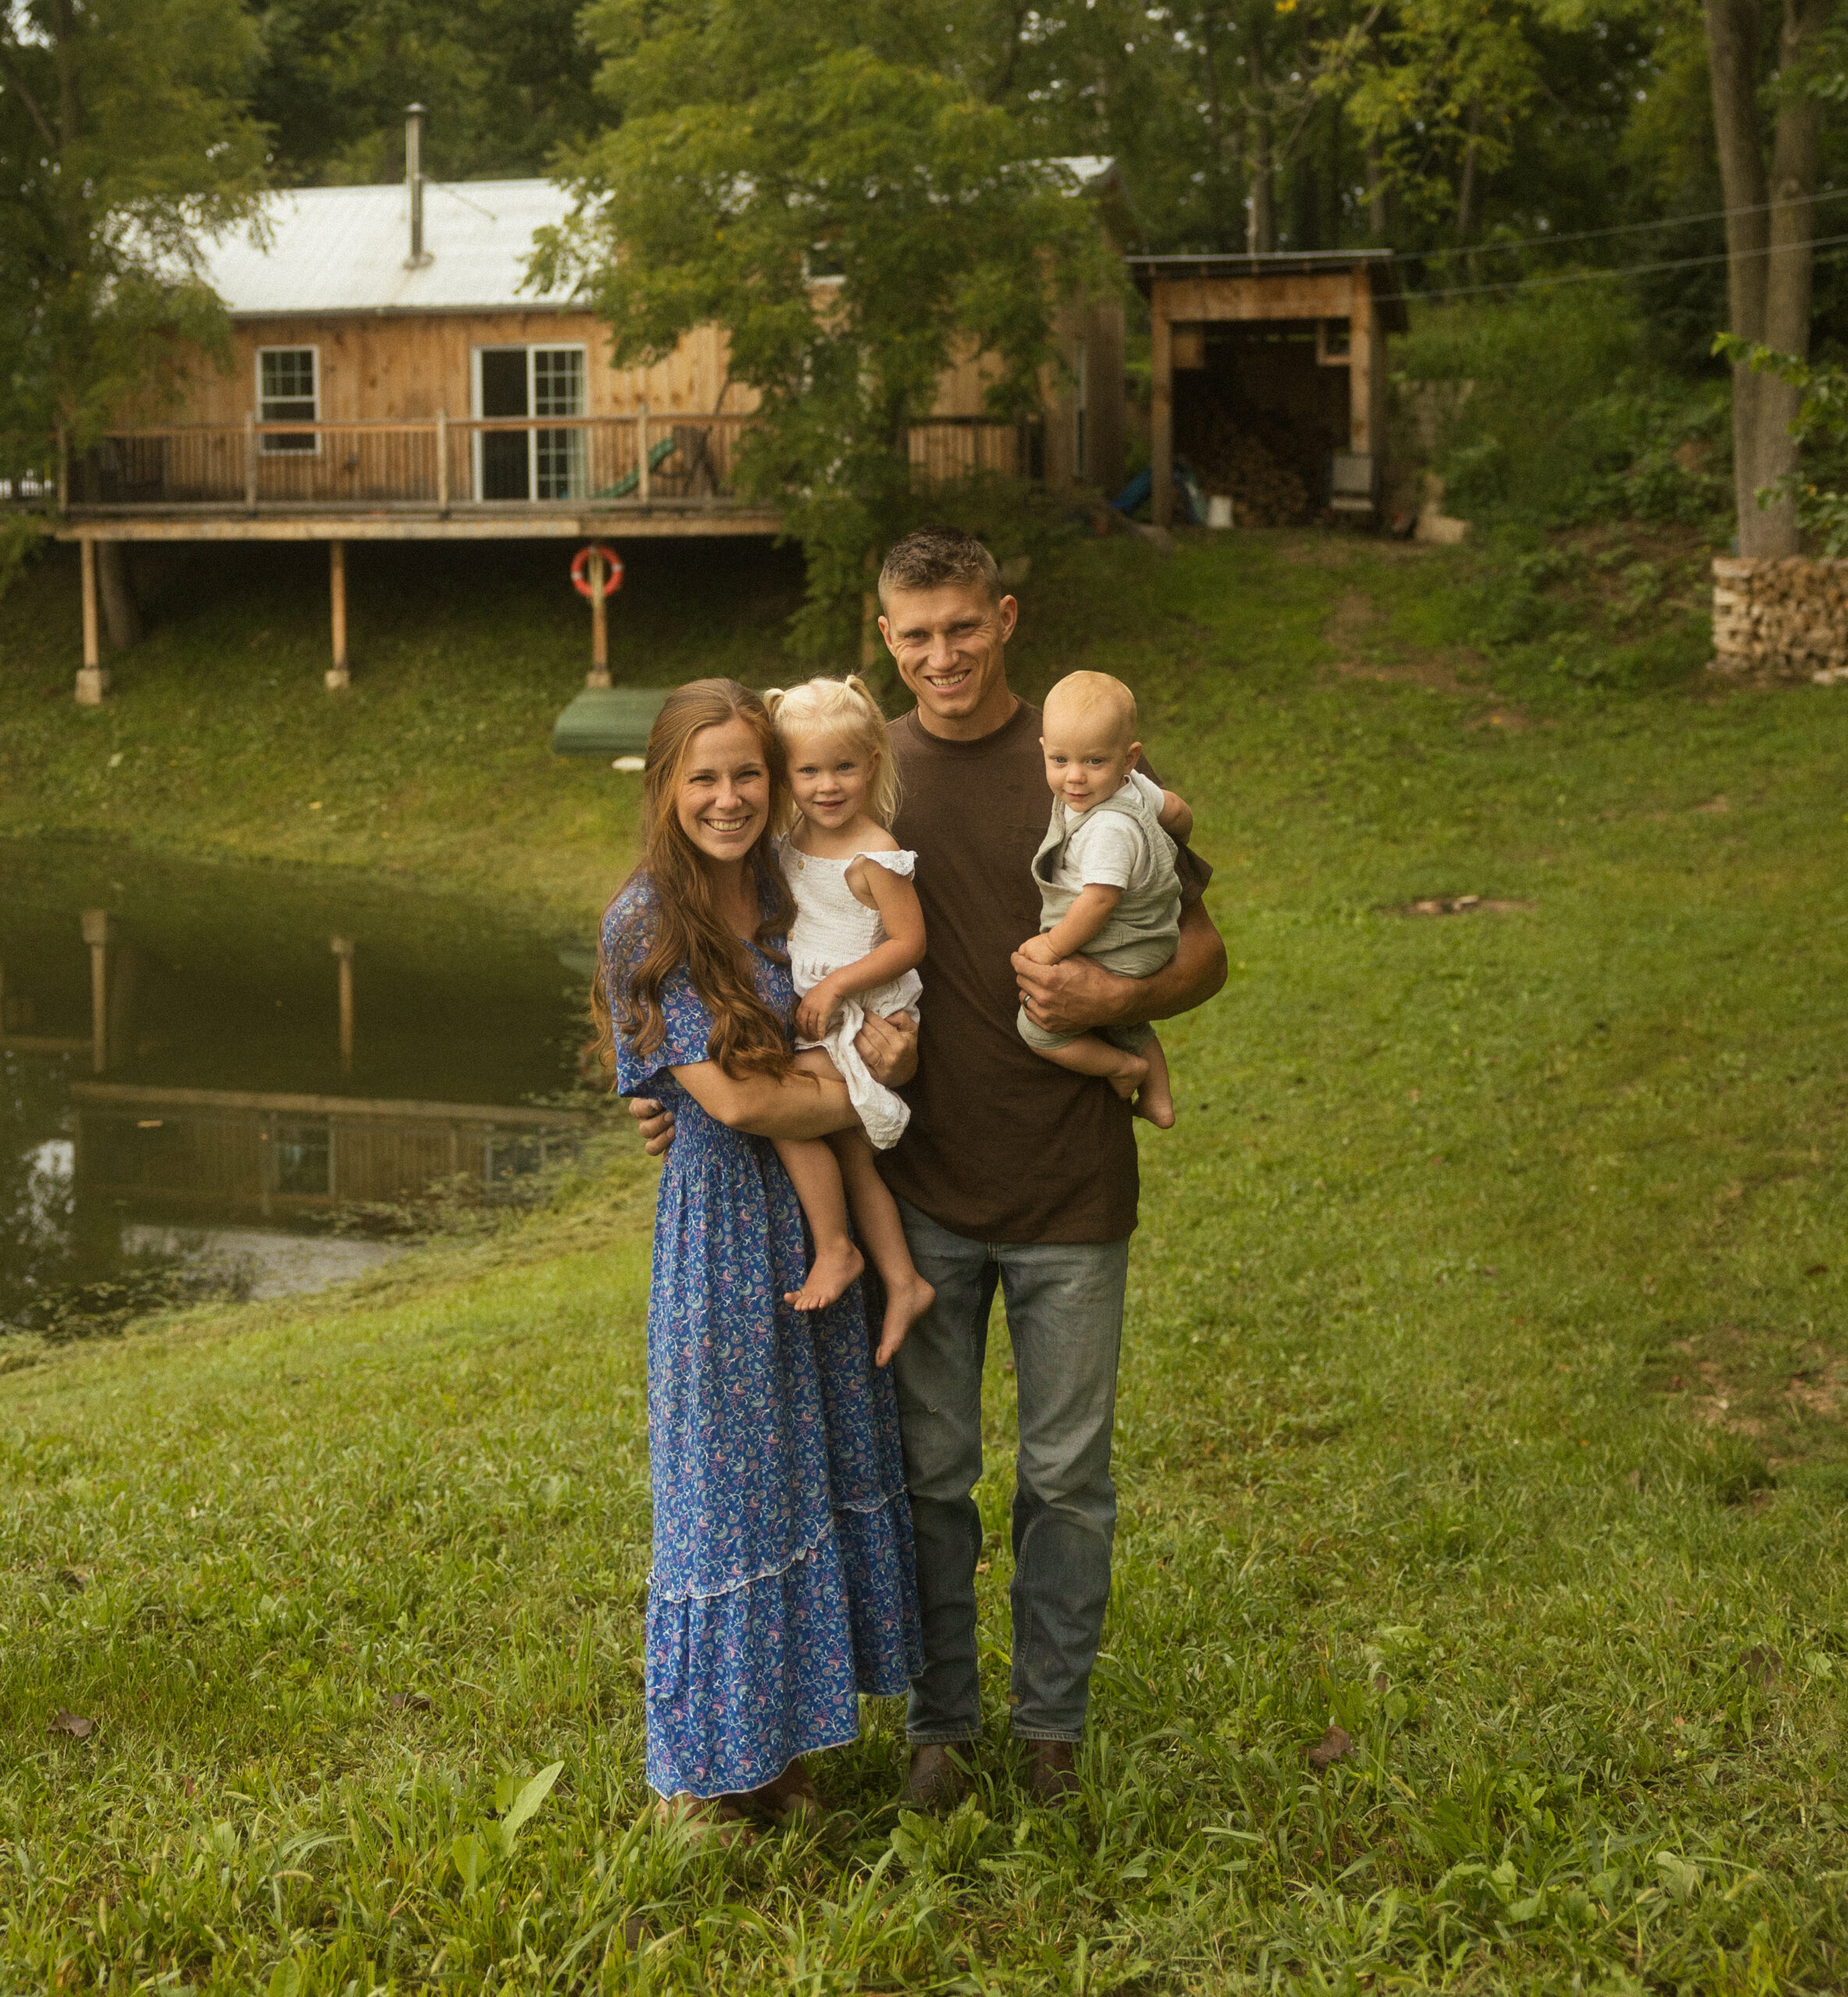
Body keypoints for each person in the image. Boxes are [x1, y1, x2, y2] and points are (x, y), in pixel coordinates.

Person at [629, 532, 1226, 1811]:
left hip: (1070, 1187)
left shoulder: (1085, 762)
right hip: (922, 1192)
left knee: (1064, 1478)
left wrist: (1112, 989)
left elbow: (1205, 949)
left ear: (1002, 618)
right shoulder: (846, 776)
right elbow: (723, 933)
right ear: (883, 639)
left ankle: (1051, 1731)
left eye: (961, 627)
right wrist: (681, 1094)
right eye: (914, 635)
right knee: (930, 1482)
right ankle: (940, 1732)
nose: (940, 655)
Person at [596, 676, 920, 1839]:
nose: (729, 798)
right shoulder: (645, 920)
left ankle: (779, 1762)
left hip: (813, 1215)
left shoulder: (795, 890)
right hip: (726, 1234)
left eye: (748, 774)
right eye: (704, 777)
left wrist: (865, 1063)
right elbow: (733, 1102)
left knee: (804, 1476)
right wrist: (864, 1081)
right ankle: (701, 1780)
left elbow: (876, 994)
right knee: (723, 1493)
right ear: (666, 788)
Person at [763, 674, 938, 1364]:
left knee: (785, 1103)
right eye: (807, 769)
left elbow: (907, 942)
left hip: (861, 1009)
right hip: (817, 1004)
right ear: (786, 773)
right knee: (854, 1157)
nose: (826, 785)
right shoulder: (788, 839)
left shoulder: (874, 853)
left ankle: (836, 1249)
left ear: (872, 762)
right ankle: (903, 1279)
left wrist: (837, 987)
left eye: (843, 767)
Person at [1016, 669, 1194, 1130]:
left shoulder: (1108, 828)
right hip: (1149, 935)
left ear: (1129, 757)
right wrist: (1177, 837)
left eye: (1094, 762)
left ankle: (1123, 1068)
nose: (1074, 777)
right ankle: (1157, 1096)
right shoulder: (1135, 789)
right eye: (1060, 760)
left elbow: (1098, 902)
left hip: (1123, 939)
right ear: (1044, 751)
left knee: (1036, 1027)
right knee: (1128, 1025)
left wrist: (1054, 947)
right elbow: (1173, 809)